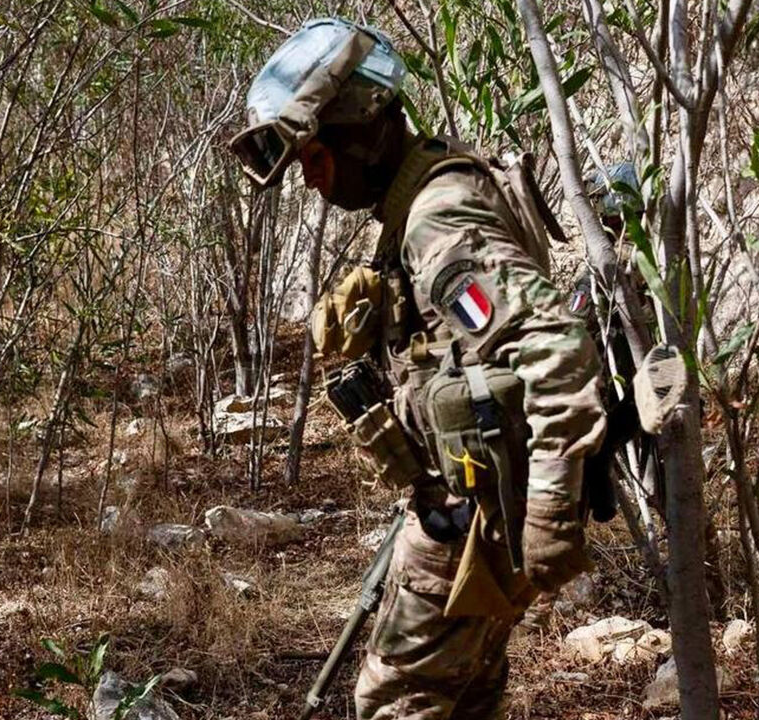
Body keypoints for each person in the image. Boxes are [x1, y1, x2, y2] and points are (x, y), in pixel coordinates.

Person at [230, 18, 608, 719]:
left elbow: (555, 348)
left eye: (315, 159)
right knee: (467, 695)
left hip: (475, 519)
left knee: (399, 701)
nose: (312, 183)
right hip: (474, 502)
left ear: (360, 130)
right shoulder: (431, 190)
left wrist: (552, 509)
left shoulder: (439, 218)